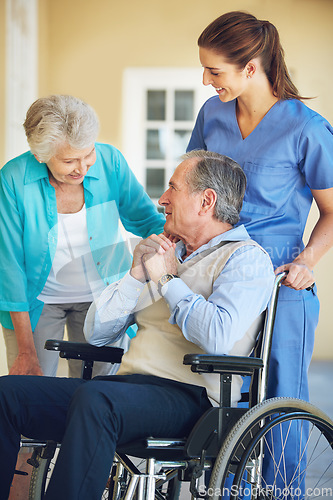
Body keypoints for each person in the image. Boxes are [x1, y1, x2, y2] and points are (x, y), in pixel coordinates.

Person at [0, 150, 274, 499]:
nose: (162, 200)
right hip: (127, 391)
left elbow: (217, 336)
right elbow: (97, 334)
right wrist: (136, 275)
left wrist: (167, 282)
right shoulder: (163, 254)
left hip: (192, 399)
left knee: (96, 399)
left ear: (206, 201)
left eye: (173, 188)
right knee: (8, 394)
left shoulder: (246, 259)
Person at [186, 11, 333, 488]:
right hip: (218, 274)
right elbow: (190, 186)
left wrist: (307, 263)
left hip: (280, 281)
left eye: (215, 71)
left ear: (251, 67)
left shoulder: (307, 128)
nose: (207, 81)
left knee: (279, 402)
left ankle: (280, 492)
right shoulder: (212, 115)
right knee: (218, 396)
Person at [0, 94, 165, 378]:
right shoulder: (14, 179)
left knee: (97, 390)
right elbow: (9, 264)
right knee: (30, 391)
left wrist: (199, 241)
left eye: (88, 154)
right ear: (40, 155)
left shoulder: (110, 161)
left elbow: (147, 219)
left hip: (101, 298)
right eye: (69, 161)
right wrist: (26, 350)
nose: (82, 167)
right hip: (35, 303)